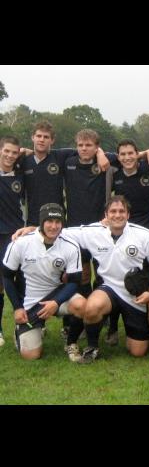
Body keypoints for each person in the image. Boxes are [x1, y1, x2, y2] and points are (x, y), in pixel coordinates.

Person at [62, 195, 149, 362]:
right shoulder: (93, 232)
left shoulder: (143, 235)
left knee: (138, 351)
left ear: (128, 214)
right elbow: (60, 231)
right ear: (106, 214)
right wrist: (33, 229)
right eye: (113, 211)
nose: (117, 215)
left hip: (134, 295)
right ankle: (92, 347)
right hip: (109, 289)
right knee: (92, 306)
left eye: (121, 211)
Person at [2, 203, 85, 361]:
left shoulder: (70, 246)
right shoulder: (21, 243)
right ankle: (22, 330)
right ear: (41, 222)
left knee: (81, 305)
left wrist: (56, 302)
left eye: (58, 222)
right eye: (49, 221)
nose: (53, 226)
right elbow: (6, 276)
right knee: (31, 356)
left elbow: (74, 282)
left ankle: (71, 343)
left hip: (57, 295)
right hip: (31, 303)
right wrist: (18, 308)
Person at [0, 136, 25, 346]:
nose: (9, 155)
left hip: (16, 234)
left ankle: (21, 327)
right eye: (6, 151)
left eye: (14, 152)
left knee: (21, 281)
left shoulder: (20, 174)